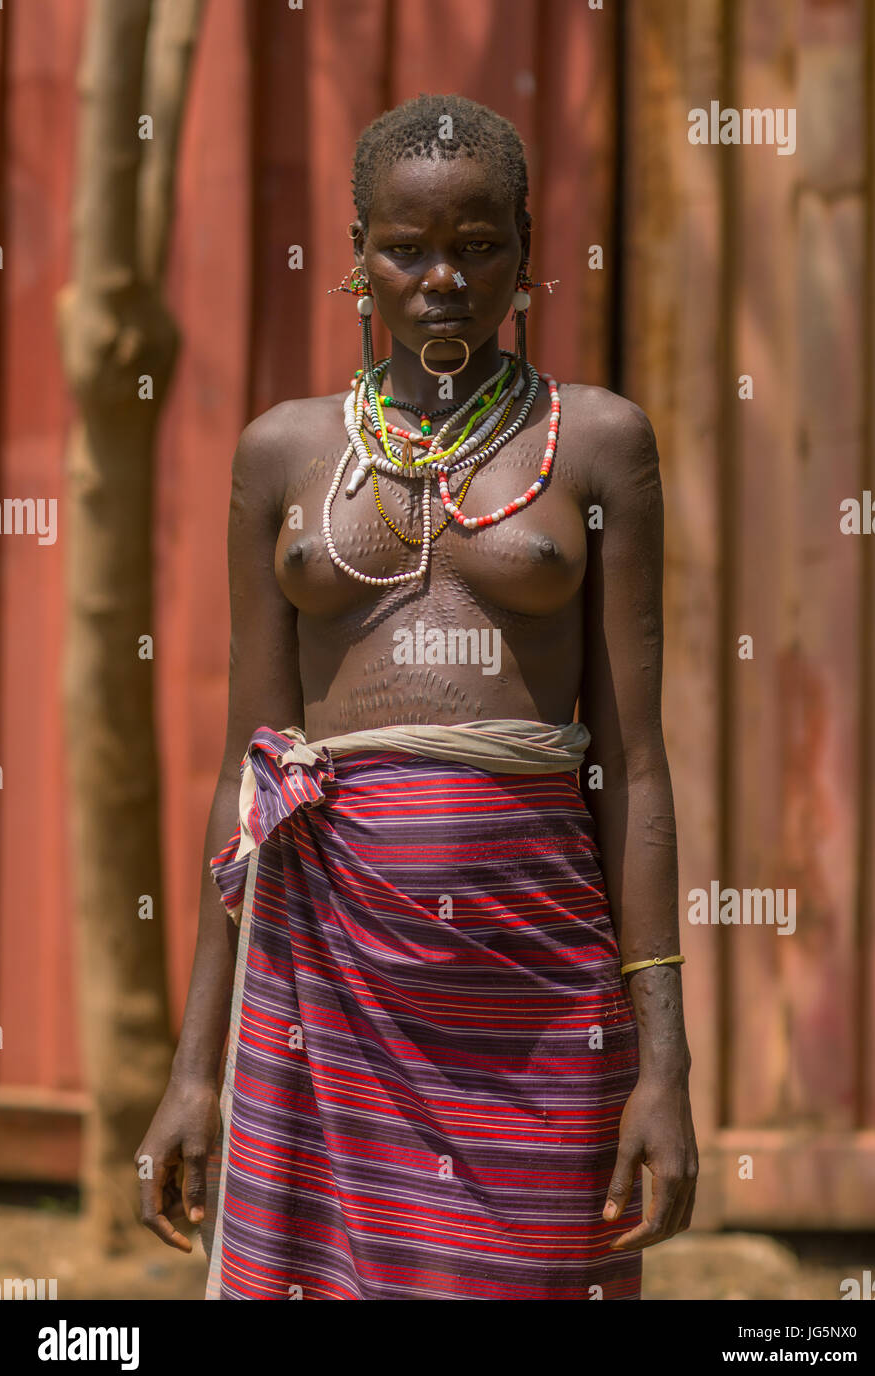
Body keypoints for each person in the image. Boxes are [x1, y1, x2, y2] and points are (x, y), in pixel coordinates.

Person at [136, 92, 697, 1301]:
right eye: (407, 248)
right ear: (356, 257)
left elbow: (634, 766)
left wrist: (665, 1070)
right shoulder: (282, 452)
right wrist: (194, 1070)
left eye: (478, 244)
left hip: (539, 995)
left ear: (528, 249)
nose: (442, 277)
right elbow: (252, 764)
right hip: (323, 981)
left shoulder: (596, 442)